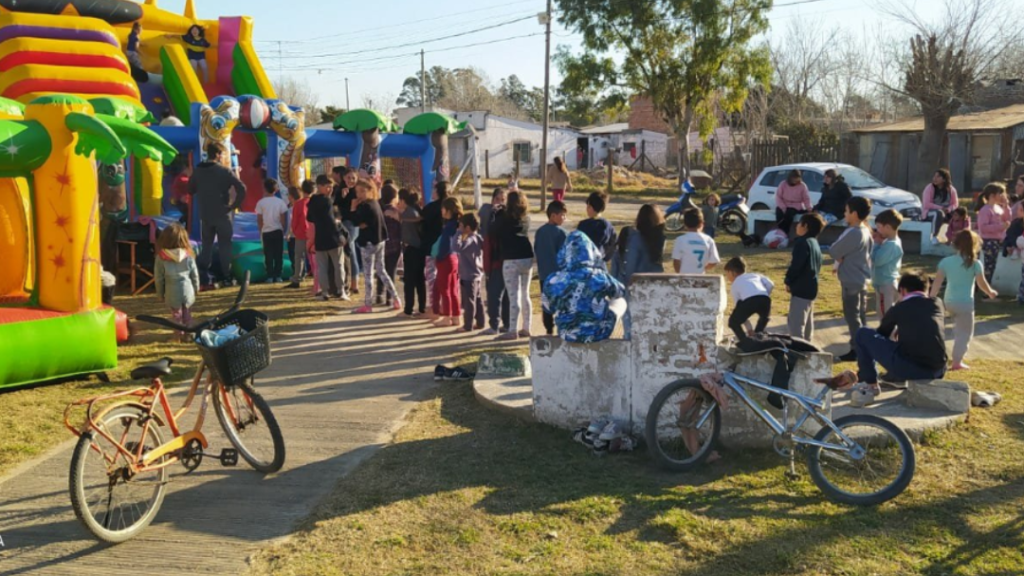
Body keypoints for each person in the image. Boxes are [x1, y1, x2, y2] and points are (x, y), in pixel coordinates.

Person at [849, 273, 948, 407]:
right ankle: (894, 378)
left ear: (902, 290)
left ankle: (871, 384)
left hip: (914, 369)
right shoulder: (937, 303)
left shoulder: (899, 309)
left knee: (863, 334)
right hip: (938, 369)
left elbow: (881, 334)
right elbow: (922, 322)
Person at [929, 230, 998, 371]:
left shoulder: (945, 262)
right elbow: (981, 283)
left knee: (942, 332)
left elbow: (937, 283)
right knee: (964, 333)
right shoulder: (975, 263)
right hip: (965, 304)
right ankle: (957, 362)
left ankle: (938, 357)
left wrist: (931, 298)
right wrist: (990, 292)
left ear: (956, 244)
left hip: (947, 302)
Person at [542, 231, 625, 343]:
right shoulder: (599, 276)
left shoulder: (553, 280)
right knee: (620, 301)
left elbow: (548, 308)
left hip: (566, 334)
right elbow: (620, 291)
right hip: (598, 333)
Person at [188, 142, 246, 288]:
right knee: (224, 245)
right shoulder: (224, 171)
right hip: (223, 213)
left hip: (206, 213)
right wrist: (234, 205)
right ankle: (226, 276)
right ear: (219, 155)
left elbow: (190, 189)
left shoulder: (198, 170)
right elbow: (242, 188)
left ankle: (202, 275)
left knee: (206, 244)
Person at [829, 196, 873, 362]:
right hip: (860, 278)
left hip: (851, 279)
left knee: (852, 315)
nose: (844, 214)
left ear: (854, 213)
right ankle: (862, 345)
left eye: (847, 211)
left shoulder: (855, 233)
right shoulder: (865, 230)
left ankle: (857, 348)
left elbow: (834, 250)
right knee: (860, 315)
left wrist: (840, 256)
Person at [352, 179, 400, 313]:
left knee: (368, 274)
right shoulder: (376, 203)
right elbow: (363, 222)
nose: (359, 194)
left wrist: (353, 208)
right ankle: (396, 299)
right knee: (381, 270)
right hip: (380, 241)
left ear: (370, 191)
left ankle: (368, 304)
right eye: (357, 192)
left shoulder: (365, 206)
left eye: (362, 191)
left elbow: (356, 221)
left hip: (369, 243)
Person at [621, 204, 666, 339]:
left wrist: (627, 281)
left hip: (636, 282)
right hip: (654, 281)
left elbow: (631, 261)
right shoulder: (660, 238)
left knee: (631, 323)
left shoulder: (636, 238)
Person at [494, 191, 534, 340]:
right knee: (526, 294)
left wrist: (498, 211)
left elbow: (494, 230)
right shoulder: (526, 218)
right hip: (527, 256)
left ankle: (512, 330)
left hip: (511, 259)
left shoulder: (503, 218)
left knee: (513, 296)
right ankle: (526, 328)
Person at [154, 224, 199, 342]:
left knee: (176, 315)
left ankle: (178, 336)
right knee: (187, 313)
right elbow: (195, 274)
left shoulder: (161, 257)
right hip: (187, 288)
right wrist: (196, 288)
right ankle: (189, 335)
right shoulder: (188, 255)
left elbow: (159, 278)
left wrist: (160, 294)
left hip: (172, 290)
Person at [307, 174, 348, 301]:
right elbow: (332, 221)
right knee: (338, 265)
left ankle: (325, 291)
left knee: (322, 267)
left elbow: (309, 218)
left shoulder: (312, 201)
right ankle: (341, 291)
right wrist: (340, 231)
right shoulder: (328, 201)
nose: (330, 189)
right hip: (333, 238)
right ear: (319, 186)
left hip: (320, 238)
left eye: (331, 187)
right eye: (327, 187)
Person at [785, 212, 824, 341]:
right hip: (811, 288)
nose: (796, 226)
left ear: (805, 226)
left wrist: (788, 280)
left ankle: (797, 355)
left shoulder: (802, 243)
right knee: (807, 325)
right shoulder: (815, 243)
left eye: (799, 223)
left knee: (796, 327)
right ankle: (808, 350)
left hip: (801, 289)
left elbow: (796, 265)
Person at [534, 201, 568, 335]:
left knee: (547, 303)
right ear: (553, 216)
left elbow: (537, 250)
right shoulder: (562, 233)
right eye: (562, 215)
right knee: (561, 303)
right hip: (560, 275)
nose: (564, 218)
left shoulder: (540, 232)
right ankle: (562, 328)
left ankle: (548, 329)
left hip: (544, 274)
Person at [724, 257, 774, 343]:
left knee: (733, 322)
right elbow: (771, 284)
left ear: (732, 272)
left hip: (750, 301)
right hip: (765, 299)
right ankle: (758, 337)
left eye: (727, 274)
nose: (727, 277)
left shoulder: (735, 285)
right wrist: (764, 294)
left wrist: (749, 328)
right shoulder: (755, 275)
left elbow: (739, 309)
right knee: (763, 319)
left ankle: (745, 342)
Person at [481, 192, 511, 336]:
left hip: (499, 264)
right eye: (497, 199)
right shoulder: (490, 215)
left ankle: (497, 325)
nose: (499, 202)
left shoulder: (497, 220)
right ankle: (502, 324)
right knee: (501, 295)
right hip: (498, 263)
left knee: (497, 295)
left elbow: (488, 248)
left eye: (503, 200)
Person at [432, 196, 463, 326]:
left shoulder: (449, 227)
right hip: (454, 259)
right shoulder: (457, 225)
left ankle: (446, 316)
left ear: (448, 210)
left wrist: (439, 257)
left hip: (445, 259)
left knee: (444, 289)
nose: (441, 211)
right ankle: (456, 316)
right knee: (453, 289)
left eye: (443, 208)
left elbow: (445, 244)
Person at [421, 181, 449, 315]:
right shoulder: (451, 207)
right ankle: (445, 306)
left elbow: (422, 223)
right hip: (448, 249)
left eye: (434, 189)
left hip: (431, 247)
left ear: (438, 192)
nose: (432, 191)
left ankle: (433, 307)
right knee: (446, 279)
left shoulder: (431, 208)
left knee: (431, 277)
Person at [333, 166, 361, 295]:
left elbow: (353, 210)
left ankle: (353, 283)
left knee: (349, 249)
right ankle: (351, 282)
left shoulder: (357, 191)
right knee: (350, 251)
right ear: (343, 178)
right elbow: (335, 206)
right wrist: (341, 197)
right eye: (348, 177)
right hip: (342, 223)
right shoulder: (339, 190)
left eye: (353, 178)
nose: (351, 180)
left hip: (352, 224)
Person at [454, 213, 485, 332]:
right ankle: (480, 322)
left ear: (467, 227)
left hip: (468, 275)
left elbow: (456, 247)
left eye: (461, 225)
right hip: (477, 272)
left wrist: (458, 233)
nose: (459, 227)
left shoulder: (470, 239)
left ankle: (468, 325)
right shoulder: (478, 237)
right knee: (477, 299)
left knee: (469, 301)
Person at [255, 178, 289, 283]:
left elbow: (259, 219)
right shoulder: (280, 202)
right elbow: (283, 219)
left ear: (264, 189)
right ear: (276, 190)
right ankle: (278, 275)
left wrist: (260, 230)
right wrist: (282, 229)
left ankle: (270, 275)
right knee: (279, 254)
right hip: (278, 230)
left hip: (266, 231)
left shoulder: (261, 203)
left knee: (268, 254)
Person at [871, 209, 904, 317]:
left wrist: (876, 244)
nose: (877, 230)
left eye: (879, 227)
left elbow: (877, 261)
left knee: (885, 316)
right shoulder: (890, 243)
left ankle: (888, 334)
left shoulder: (891, 245)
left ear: (888, 227)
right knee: (885, 314)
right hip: (885, 284)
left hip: (886, 285)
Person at [977, 182, 1011, 284]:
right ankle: (985, 290)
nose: (1003, 196)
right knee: (988, 266)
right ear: (992, 195)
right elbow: (983, 227)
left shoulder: (998, 208)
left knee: (992, 265)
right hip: (988, 242)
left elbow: (1007, 218)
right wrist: (1000, 227)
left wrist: (1006, 206)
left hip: (996, 241)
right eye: (1000, 194)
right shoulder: (985, 210)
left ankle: (985, 287)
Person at [399, 190, 426, 316]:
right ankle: (422, 308)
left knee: (409, 281)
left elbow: (413, 220)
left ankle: (408, 309)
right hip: (419, 249)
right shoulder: (416, 209)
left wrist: (399, 216)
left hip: (411, 249)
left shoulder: (409, 212)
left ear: (403, 200)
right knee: (420, 280)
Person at [672, 208, 720, 274]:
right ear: (702, 223)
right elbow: (714, 261)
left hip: (684, 278)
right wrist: (704, 268)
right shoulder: (709, 240)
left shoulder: (680, 240)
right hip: (700, 278)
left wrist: (679, 273)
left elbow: (676, 261)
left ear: (685, 224)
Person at [376, 183, 402, 306]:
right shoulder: (395, 212)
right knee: (391, 271)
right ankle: (389, 297)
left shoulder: (378, 209)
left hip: (380, 244)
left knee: (381, 270)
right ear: (395, 197)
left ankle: (379, 295)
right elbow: (400, 228)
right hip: (394, 245)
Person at [920, 168, 959, 244]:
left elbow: (955, 204)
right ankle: (934, 236)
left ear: (944, 179)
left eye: (938, 176)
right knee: (938, 213)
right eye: (934, 176)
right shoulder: (929, 188)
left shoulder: (951, 189)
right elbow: (926, 204)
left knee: (959, 213)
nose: (935, 178)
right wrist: (941, 208)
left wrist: (949, 209)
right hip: (930, 213)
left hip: (946, 212)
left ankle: (955, 238)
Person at [287, 182, 312, 288]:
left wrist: (294, 232)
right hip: (312, 233)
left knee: (299, 257)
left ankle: (297, 278)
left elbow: (295, 221)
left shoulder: (298, 204)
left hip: (301, 234)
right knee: (314, 257)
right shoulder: (314, 202)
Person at [577, 192, 615, 260]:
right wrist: (606, 257)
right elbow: (612, 243)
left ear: (591, 207)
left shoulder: (583, 225)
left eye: (588, 206)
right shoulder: (608, 225)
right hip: (600, 260)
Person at [775, 169, 811, 233]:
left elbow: (806, 198)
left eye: (797, 178)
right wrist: (783, 207)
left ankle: (785, 232)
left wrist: (809, 208)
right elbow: (778, 197)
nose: (795, 180)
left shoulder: (802, 186)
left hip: (796, 206)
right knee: (779, 213)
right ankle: (780, 231)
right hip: (784, 204)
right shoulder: (783, 184)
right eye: (794, 178)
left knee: (789, 214)